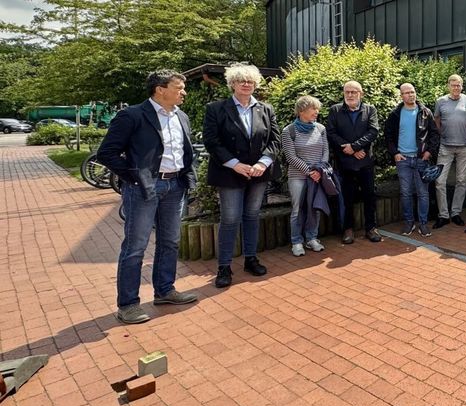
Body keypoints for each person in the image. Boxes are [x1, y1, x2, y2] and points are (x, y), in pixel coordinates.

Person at [98, 69, 199, 324]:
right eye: (179, 87)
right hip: (144, 188)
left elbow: (186, 153)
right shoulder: (132, 115)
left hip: (175, 186)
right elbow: (107, 153)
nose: (184, 92)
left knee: (170, 242)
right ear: (160, 89)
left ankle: (165, 290)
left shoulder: (181, 117)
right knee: (135, 247)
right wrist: (134, 176)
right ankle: (128, 304)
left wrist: (188, 177)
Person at [202, 63, 280, 289]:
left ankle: (250, 259)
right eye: (241, 81)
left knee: (252, 215)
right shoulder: (216, 109)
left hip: (258, 172)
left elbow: (274, 140)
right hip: (230, 173)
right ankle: (224, 267)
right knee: (230, 218)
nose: (246, 84)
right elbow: (212, 141)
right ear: (232, 84)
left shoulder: (266, 109)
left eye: (250, 81)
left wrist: (263, 163)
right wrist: (235, 164)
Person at [326, 80, 382, 244]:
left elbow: (373, 131)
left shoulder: (370, 110)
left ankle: (371, 228)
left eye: (353, 92)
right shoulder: (335, 110)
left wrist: (356, 147)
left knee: (369, 195)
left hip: (365, 161)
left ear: (361, 94)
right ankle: (348, 229)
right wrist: (349, 149)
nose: (350, 95)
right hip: (345, 161)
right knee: (347, 197)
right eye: (347, 92)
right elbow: (331, 133)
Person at [385, 83, 440, 237]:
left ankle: (423, 224)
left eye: (413, 92)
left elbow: (434, 134)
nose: (411, 95)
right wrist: (395, 153)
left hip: (421, 159)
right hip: (403, 160)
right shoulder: (395, 114)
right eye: (407, 93)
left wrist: (429, 151)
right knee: (406, 193)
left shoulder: (425, 112)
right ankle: (409, 223)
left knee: (423, 193)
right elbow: (388, 136)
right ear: (401, 96)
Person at [281, 95, 330, 256]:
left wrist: (319, 171)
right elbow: (291, 157)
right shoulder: (289, 131)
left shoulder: (321, 128)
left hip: (317, 175)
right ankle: (296, 241)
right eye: (313, 109)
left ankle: (311, 238)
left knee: (314, 208)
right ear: (302, 111)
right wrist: (309, 171)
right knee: (298, 209)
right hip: (298, 177)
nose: (316, 112)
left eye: (317, 109)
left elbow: (325, 152)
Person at [433, 74, 466, 228]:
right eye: (453, 85)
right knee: (439, 181)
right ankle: (443, 215)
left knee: (461, 181)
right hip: (446, 146)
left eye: (458, 85)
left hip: (465, 146)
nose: (456, 87)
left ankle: (456, 212)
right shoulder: (440, 101)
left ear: (462, 86)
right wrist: (442, 133)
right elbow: (436, 120)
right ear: (448, 86)